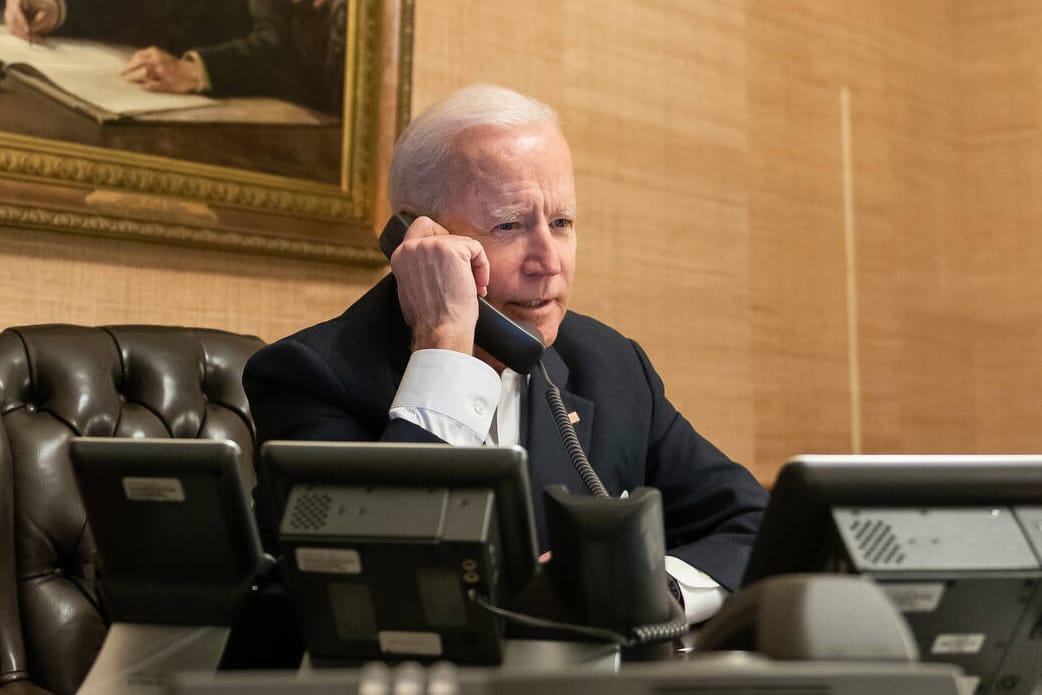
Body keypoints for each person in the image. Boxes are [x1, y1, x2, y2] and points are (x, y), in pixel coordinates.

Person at [243, 84, 769, 625]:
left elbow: (755, 523)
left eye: (561, 223)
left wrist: (653, 588)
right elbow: (380, 588)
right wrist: (445, 340)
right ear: (418, 239)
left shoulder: (610, 364)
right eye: (509, 225)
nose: (549, 261)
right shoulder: (307, 375)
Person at [2, 0, 341, 111]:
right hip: (139, 95)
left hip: (235, 123)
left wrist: (196, 69)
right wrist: (57, 8)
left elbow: (283, 48)